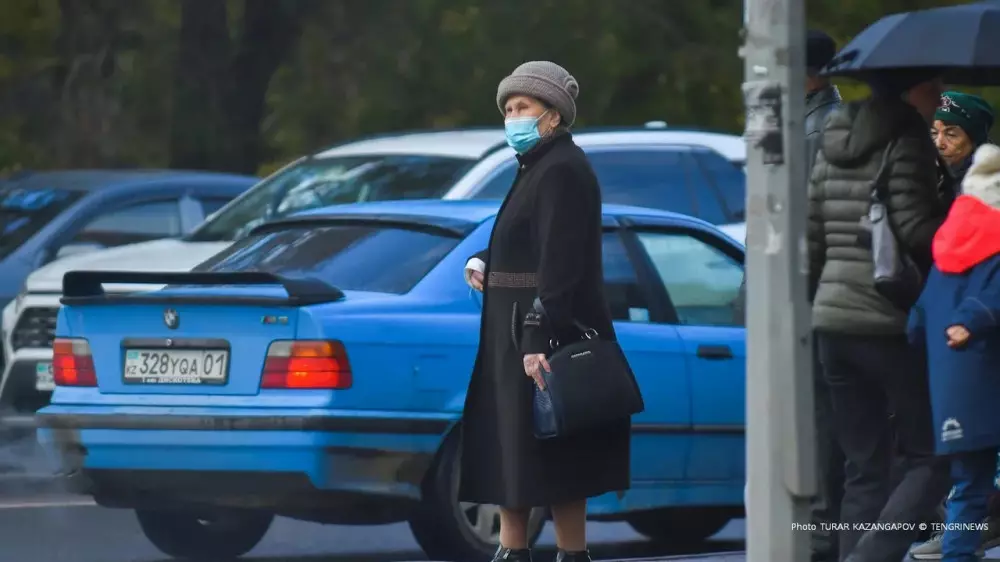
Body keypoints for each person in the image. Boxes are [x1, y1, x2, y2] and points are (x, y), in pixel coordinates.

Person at [460, 61, 629, 562]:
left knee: (553, 456)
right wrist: (485, 260)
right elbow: (528, 238)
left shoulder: (562, 169)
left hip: (538, 334)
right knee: (515, 454)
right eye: (508, 109)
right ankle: (513, 551)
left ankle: (568, 554)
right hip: (511, 333)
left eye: (523, 107)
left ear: (552, 115)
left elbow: (562, 261)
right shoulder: (536, 166)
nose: (513, 117)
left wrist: (537, 336)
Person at [807, 69, 954, 562]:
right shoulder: (907, 140)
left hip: (831, 321)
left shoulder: (833, 138)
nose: (939, 98)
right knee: (931, 455)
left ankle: (857, 553)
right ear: (909, 90)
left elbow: (812, 235)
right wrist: (956, 218)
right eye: (932, 88)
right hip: (884, 319)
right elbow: (915, 231)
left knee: (863, 467)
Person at [908, 92, 1000, 561]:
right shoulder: (940, 185)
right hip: (969, 353)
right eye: (935, 131)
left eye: (952, 133)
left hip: (963, 351)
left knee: (970, 468)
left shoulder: (977, 197)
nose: (940, 141)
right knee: (970, 469)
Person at [803, 28, 846, 562]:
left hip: (812, 293)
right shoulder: (816, 122)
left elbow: (805, 221)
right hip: (814, 290)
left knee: (820, 417)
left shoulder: (820, 127)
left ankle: (820, 533)